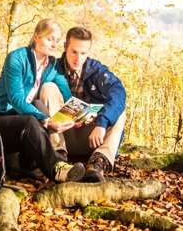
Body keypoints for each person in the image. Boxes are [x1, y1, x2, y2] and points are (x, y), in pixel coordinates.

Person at [0, 18, 86, 183]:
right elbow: (16, 99)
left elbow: (66, 95)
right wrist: (46, 121)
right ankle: (57, 169)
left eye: (56, 41)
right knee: (31, 119)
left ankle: (35, 164)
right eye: (49, 39)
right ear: (36, 36)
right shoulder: (16, 58)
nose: (53, 44)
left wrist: (81, 114)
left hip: (20, 125)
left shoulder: (52, 65)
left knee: (38, 105)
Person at [54, 25, 128, 183]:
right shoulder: (52, 68)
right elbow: (22, 85)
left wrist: (102, 122)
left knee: (119, 111)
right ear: (65, 47)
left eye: (83, 53)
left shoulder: (97, 71)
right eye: (74, 52)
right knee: (47, 88)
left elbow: (119, 93)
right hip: (61, 134)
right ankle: (57, 158)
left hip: (90, 137)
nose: (78, 58)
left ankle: (98, 163)